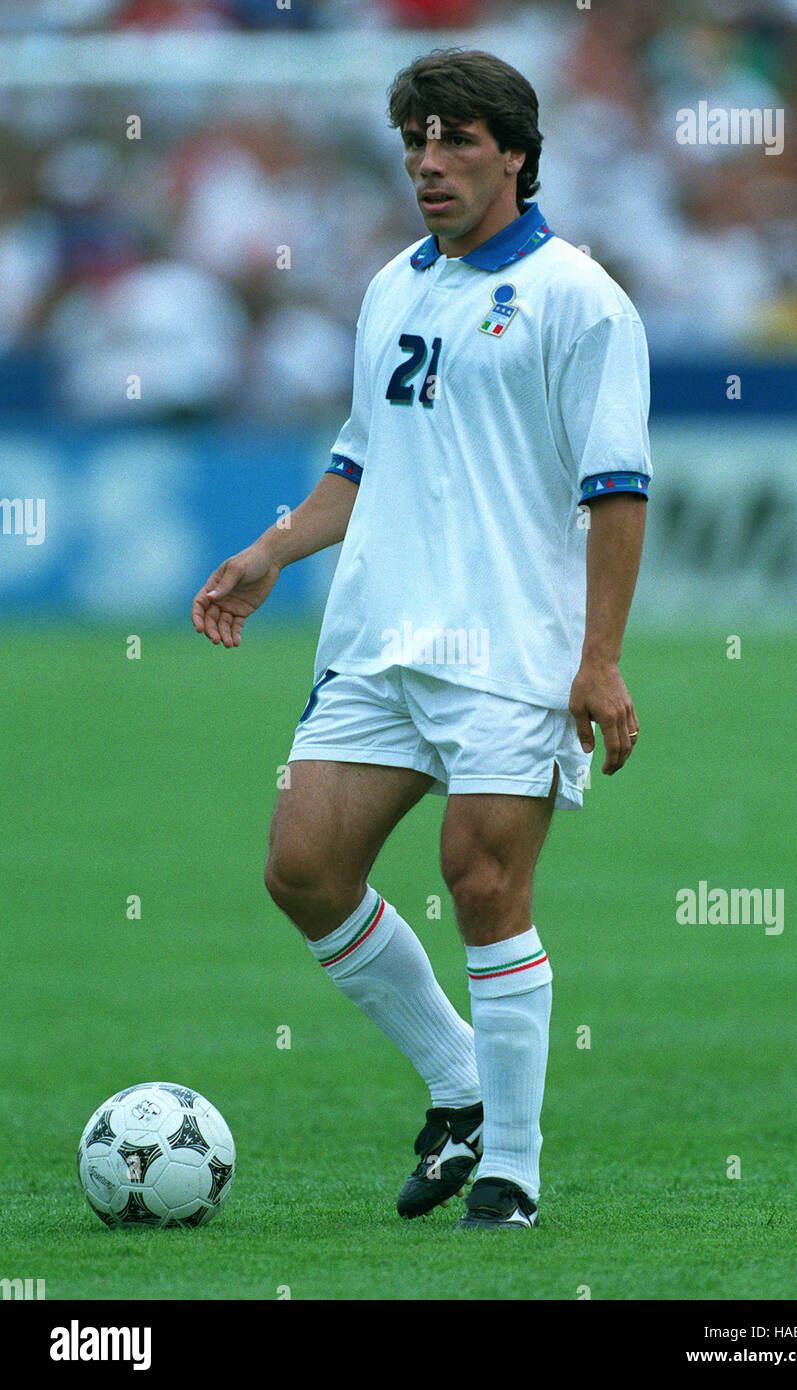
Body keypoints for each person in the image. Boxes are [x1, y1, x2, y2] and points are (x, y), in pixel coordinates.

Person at [192, 48, 651, 1231]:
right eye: (413, 140)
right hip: (381, 638)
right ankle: (457, 1087)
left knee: (481, 880)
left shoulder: (580, 300)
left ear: (515, 153)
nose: (427, 163)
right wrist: (271, 550)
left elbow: (617, 492)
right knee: (302, 868)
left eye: (453, 141)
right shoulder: (393, 283)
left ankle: (511, 1171)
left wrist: (597, 660)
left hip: (511, 650)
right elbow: (360, 459)